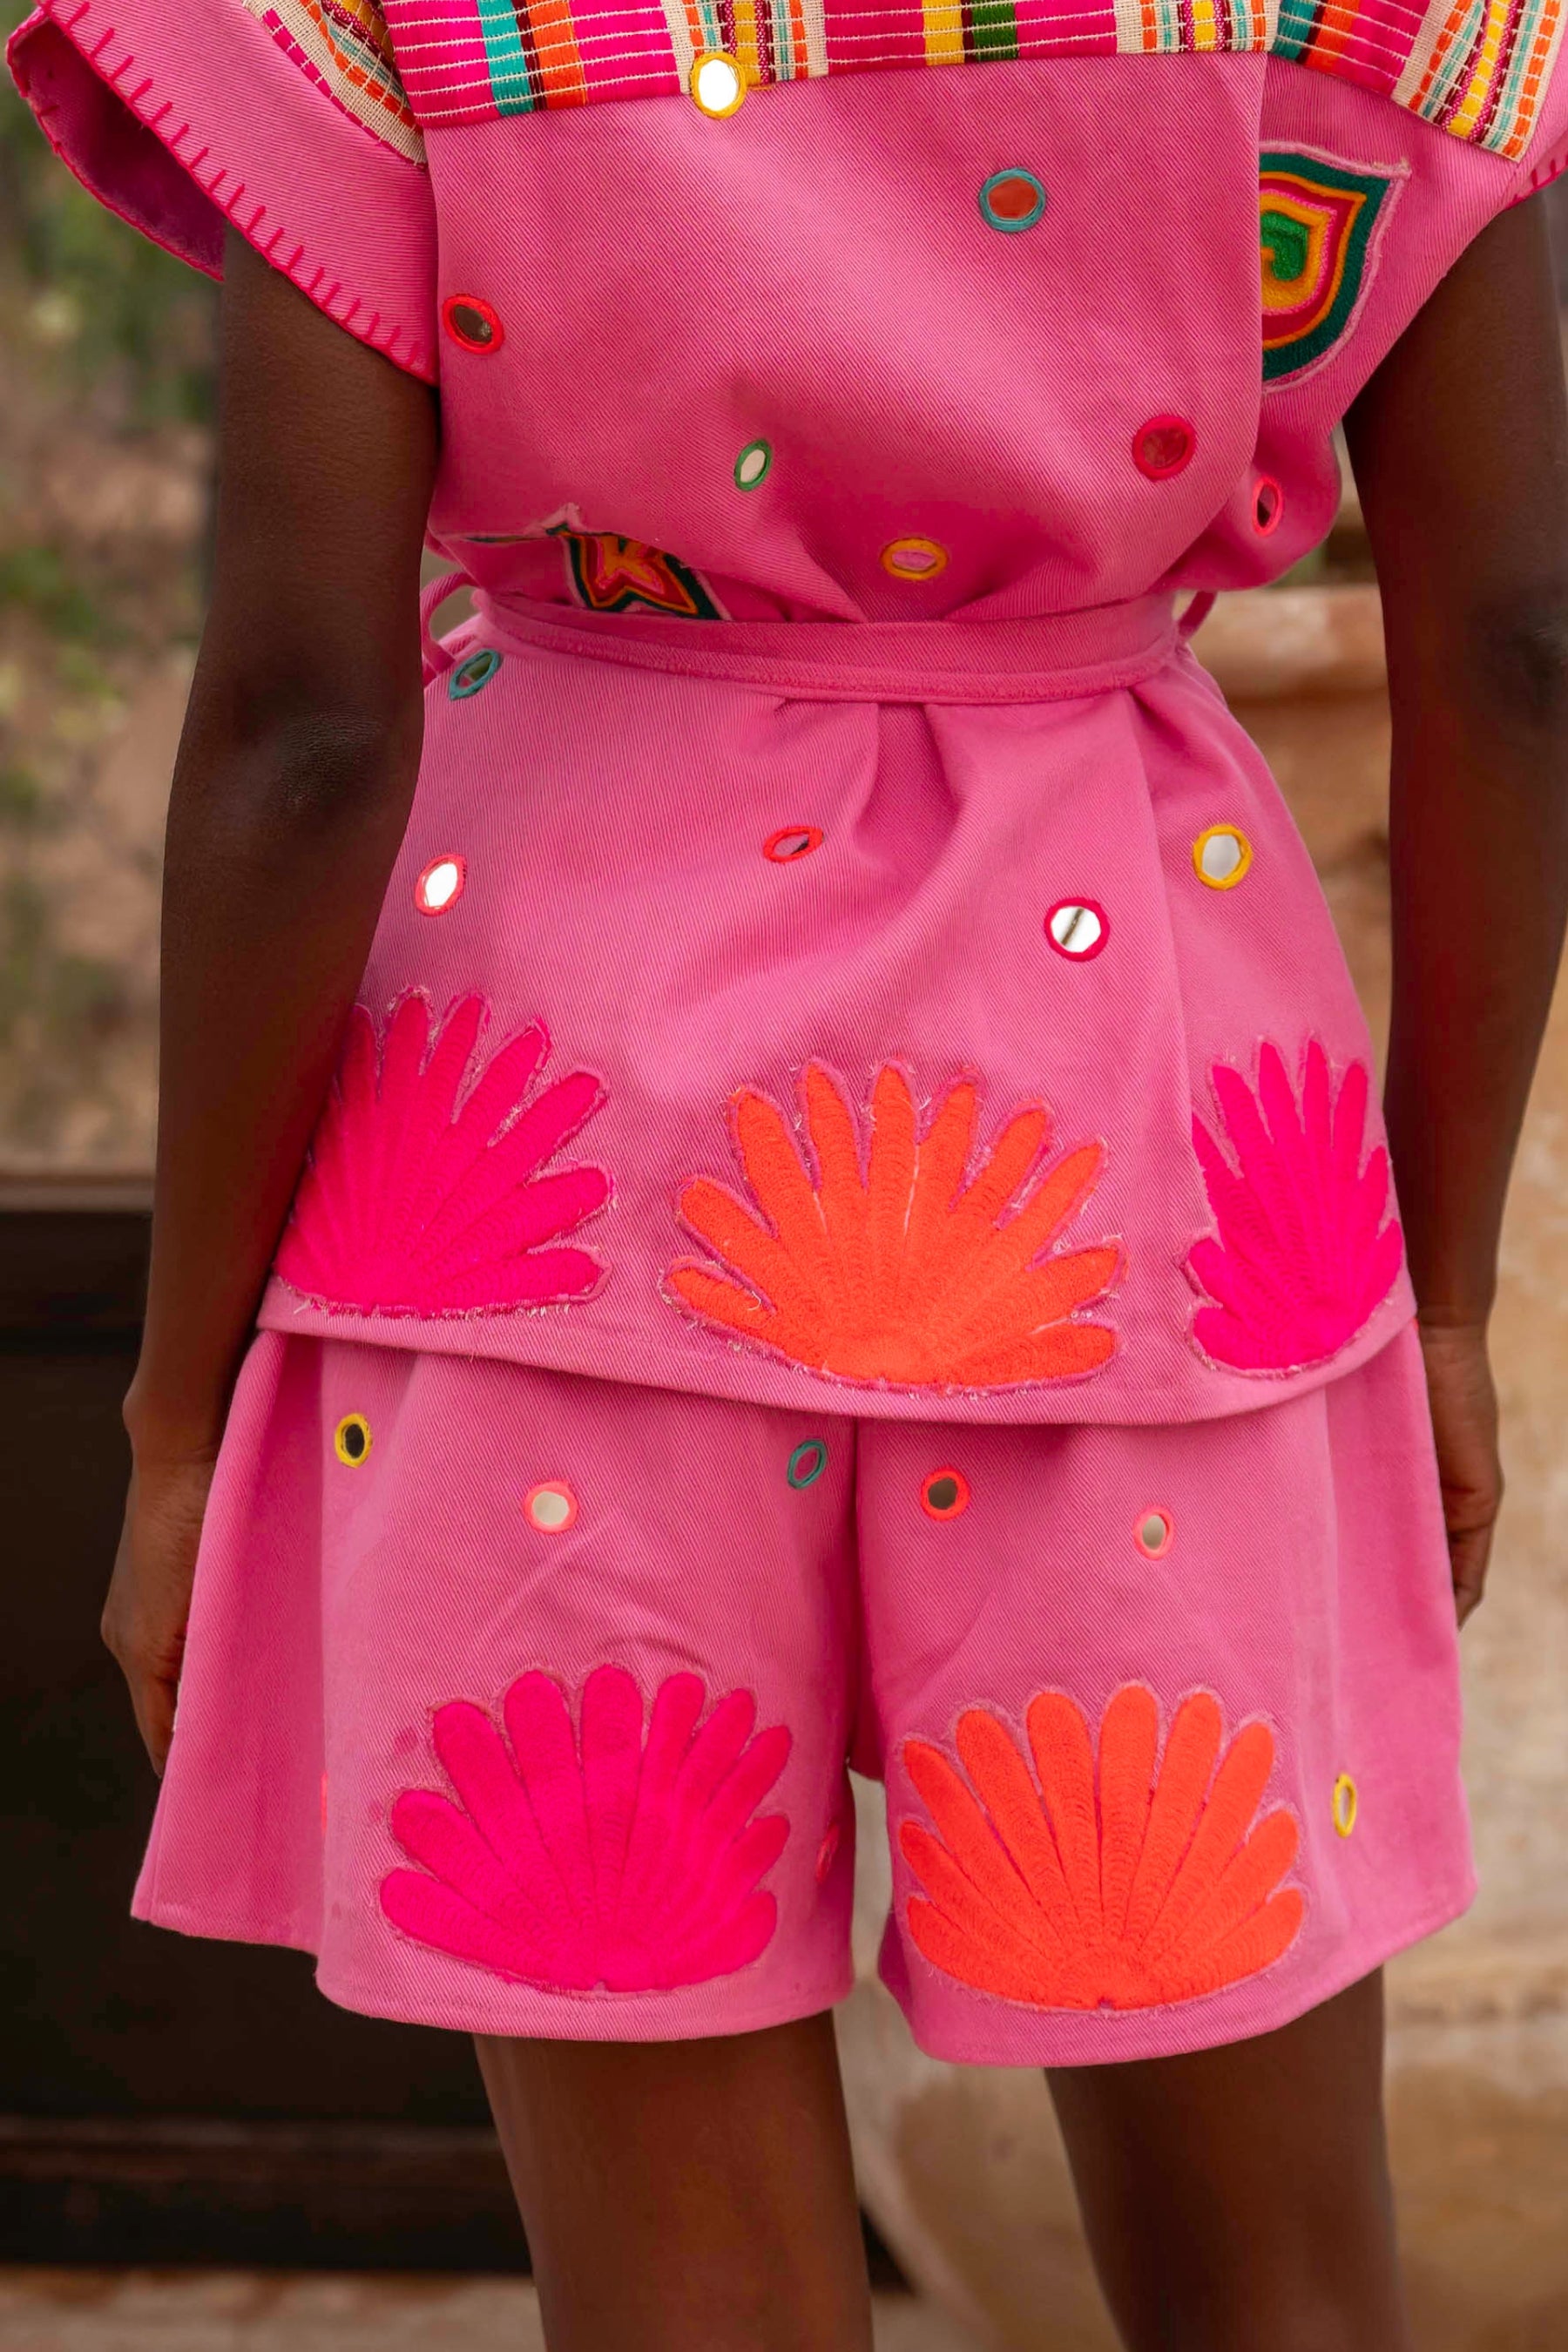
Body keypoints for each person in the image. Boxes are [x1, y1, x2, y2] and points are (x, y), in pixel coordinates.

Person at [10, 1, 1568, 2342]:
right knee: (1279, 2288)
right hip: (1139, 1159)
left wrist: (174, 1407)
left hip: (550, 1183)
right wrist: (1442, 1290)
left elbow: (306, 724)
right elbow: (1521, 638)